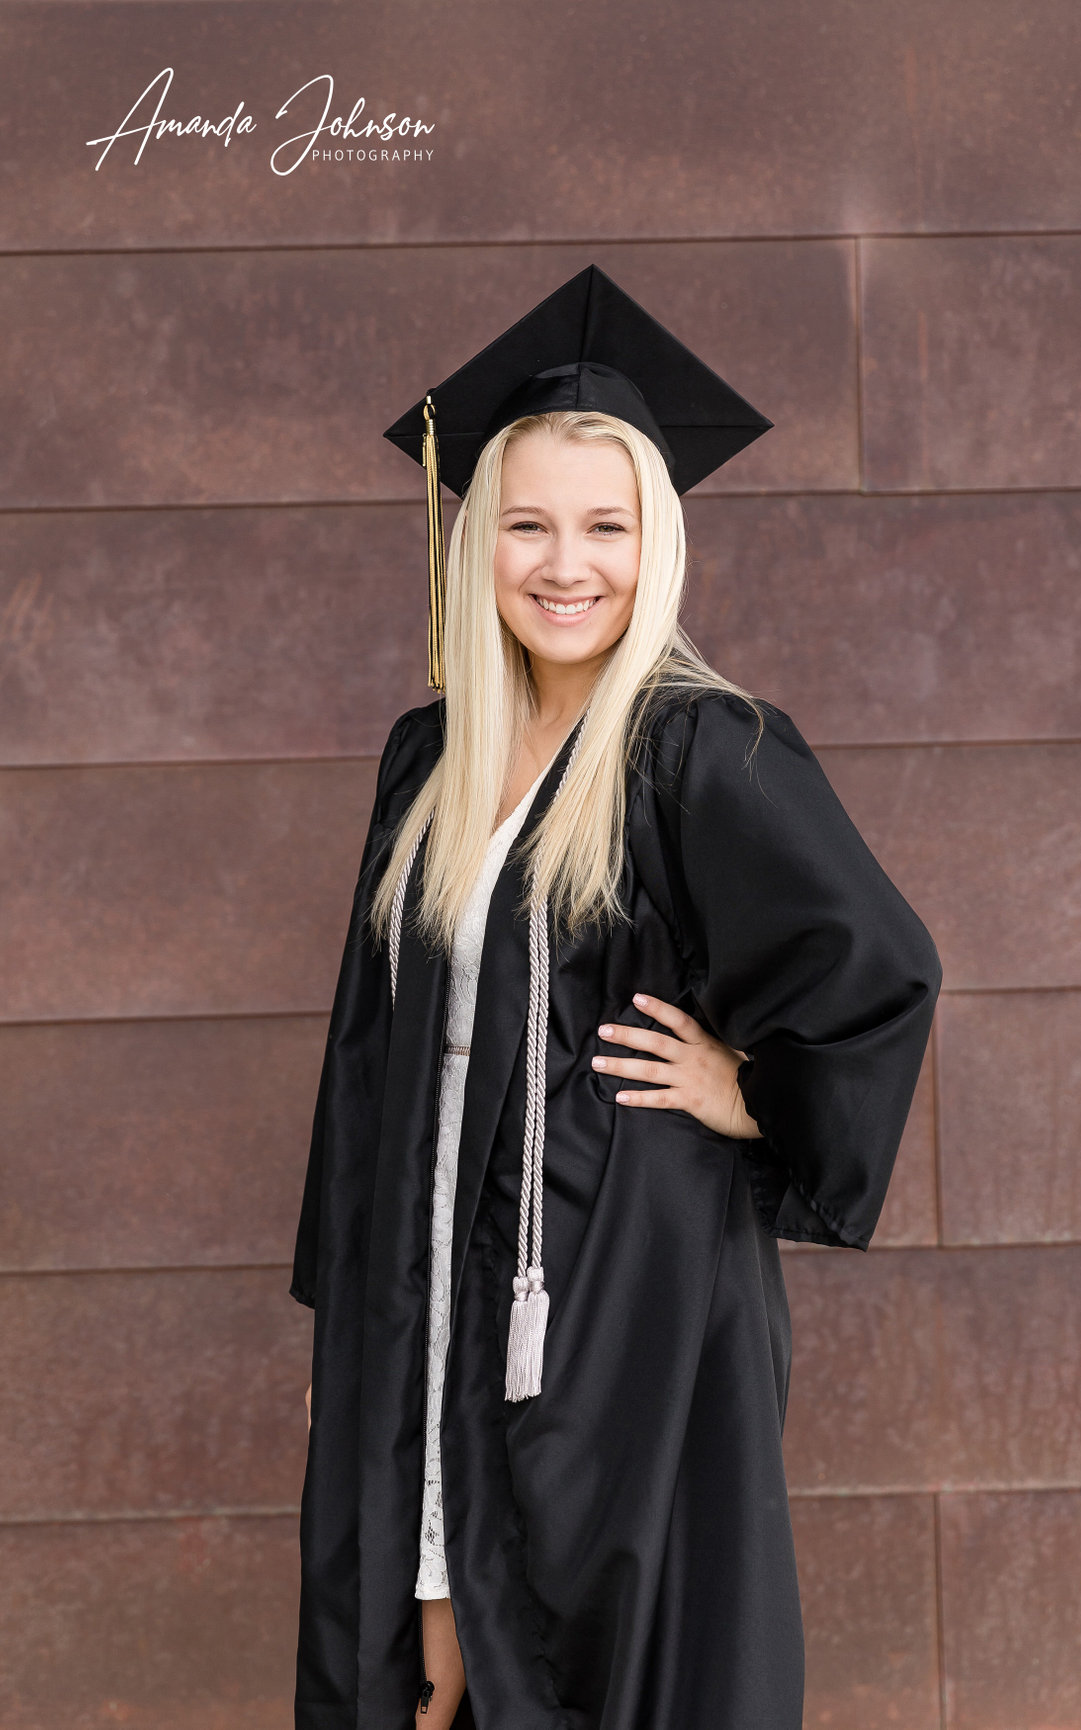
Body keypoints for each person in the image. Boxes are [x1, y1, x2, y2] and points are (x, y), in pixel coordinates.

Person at [291, 266, 942, 1730]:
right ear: (478, 544)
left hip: (632, 1288)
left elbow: (877, 969)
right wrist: (348, 1328)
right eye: (526, 523)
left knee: (634, 1644)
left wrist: (749, 1090)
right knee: (417, 1659)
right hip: (432, 1275)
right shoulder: (427, 759)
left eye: (606, 525)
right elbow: (365, 1056)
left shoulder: (701, 749)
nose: (564, 562)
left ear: (657, 543)